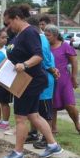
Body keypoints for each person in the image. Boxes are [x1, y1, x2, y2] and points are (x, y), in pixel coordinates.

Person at [0, 5, 62, 158]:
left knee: (21, 118)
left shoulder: (30, 33)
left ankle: (18, 153)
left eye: (8, 23)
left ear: (17, 18)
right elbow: (10, 58)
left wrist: (25, 65)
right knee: (33, 115)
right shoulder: (17, 36)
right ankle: (53, 145)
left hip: (31, 81)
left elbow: (39, 56)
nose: (7, 27)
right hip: (24, 80)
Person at [25, 16, 60, 149]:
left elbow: (44, 60)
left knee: (45, 111)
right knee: (34, 109)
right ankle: (34, 133)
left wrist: (53, 70)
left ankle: (47, 137)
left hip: (44, 78)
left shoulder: (42, 40)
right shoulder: (37, 38)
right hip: (38, 78)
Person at [44, 24, 80, 135]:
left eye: (48, 35)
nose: (46, 37)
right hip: (50, 80)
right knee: (52, 105)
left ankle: (77, 124)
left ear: (56, 35)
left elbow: (74, 62)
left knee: (70, 105)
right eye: (45, 35)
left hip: (64, 80)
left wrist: (74, 77)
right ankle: (53, 128)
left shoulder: (65, 46)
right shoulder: (45, 47)